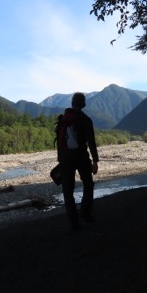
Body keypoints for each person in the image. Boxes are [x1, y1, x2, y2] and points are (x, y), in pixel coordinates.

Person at [57, 92, 99, 229]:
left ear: (72, 103)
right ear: (83, 104)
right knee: (88, 184)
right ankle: (85, 212)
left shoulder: (63, 119)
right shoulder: (86, 120)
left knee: (68, 190)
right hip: (81, 156)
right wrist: (95, 161)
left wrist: (60, 160)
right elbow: (91, 142)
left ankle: (73, 222)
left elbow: (59, 142)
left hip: (65, 158)